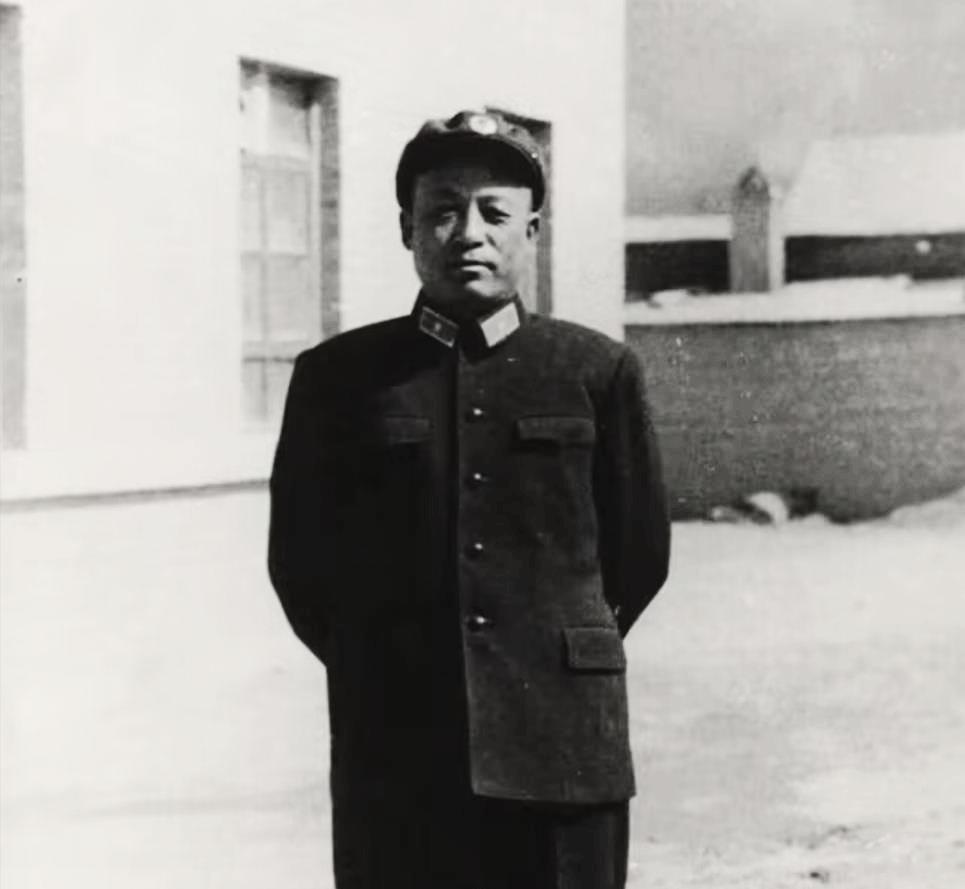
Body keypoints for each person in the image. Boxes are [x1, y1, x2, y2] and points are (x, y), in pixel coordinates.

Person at [268, 109, 671, 889]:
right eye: (443, 211)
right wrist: (387, 659)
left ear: (531, 230)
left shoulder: (597, 371)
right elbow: (302, 566)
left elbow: (638, 556)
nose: (468, 233)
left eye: (493, 212)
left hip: (560, 743)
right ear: (406, 229)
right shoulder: (338, 379)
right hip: (399, 747)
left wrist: (540, 652)